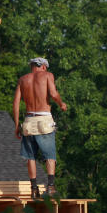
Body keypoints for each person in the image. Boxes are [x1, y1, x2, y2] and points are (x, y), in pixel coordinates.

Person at [12, 57, 67, 199]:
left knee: (30, 157)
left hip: (29, 121)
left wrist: (17, 124)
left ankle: (34, 189)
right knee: (50, 155)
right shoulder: (48, 76)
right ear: (43, 66)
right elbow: (54, 94)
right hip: (44, 120)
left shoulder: (23, 79)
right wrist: (61, 104)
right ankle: (50, 187)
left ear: (32, 66)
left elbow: (16, 103)